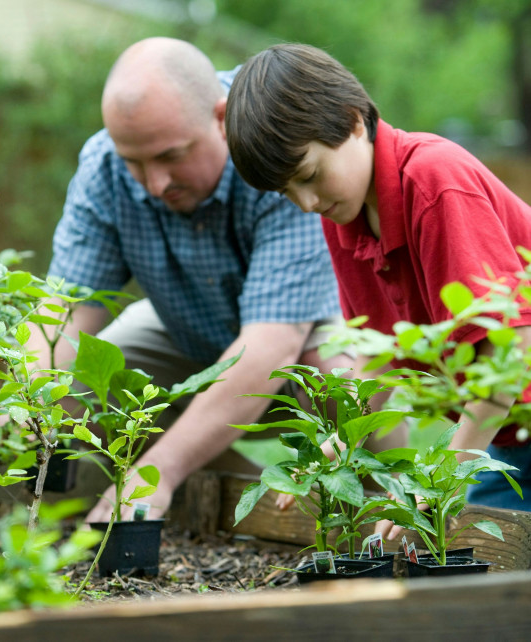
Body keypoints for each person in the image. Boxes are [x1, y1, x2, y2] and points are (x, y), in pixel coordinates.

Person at [26, 37, 349, 522]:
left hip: (301, 338)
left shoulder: (275, 143)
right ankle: (244, 502)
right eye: (135, 162)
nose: (155, 184)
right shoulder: (104, 168)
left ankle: (374, 507)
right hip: (187, 337)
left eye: (171, 156)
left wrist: (158, 470)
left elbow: (272, 346)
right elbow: (62, 314)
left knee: (342, 380)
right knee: (95, 376)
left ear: (221, 118)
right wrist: (27, 401)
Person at [224, 42, 531, 524]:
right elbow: (378, 352)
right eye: (286, 193)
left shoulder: (433, 181)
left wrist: (440, 481)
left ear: (353, 121)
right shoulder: (343, 216)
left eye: (309, 175)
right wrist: (332, 451)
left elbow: (509, 349)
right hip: (510, 436)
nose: (305, 203)